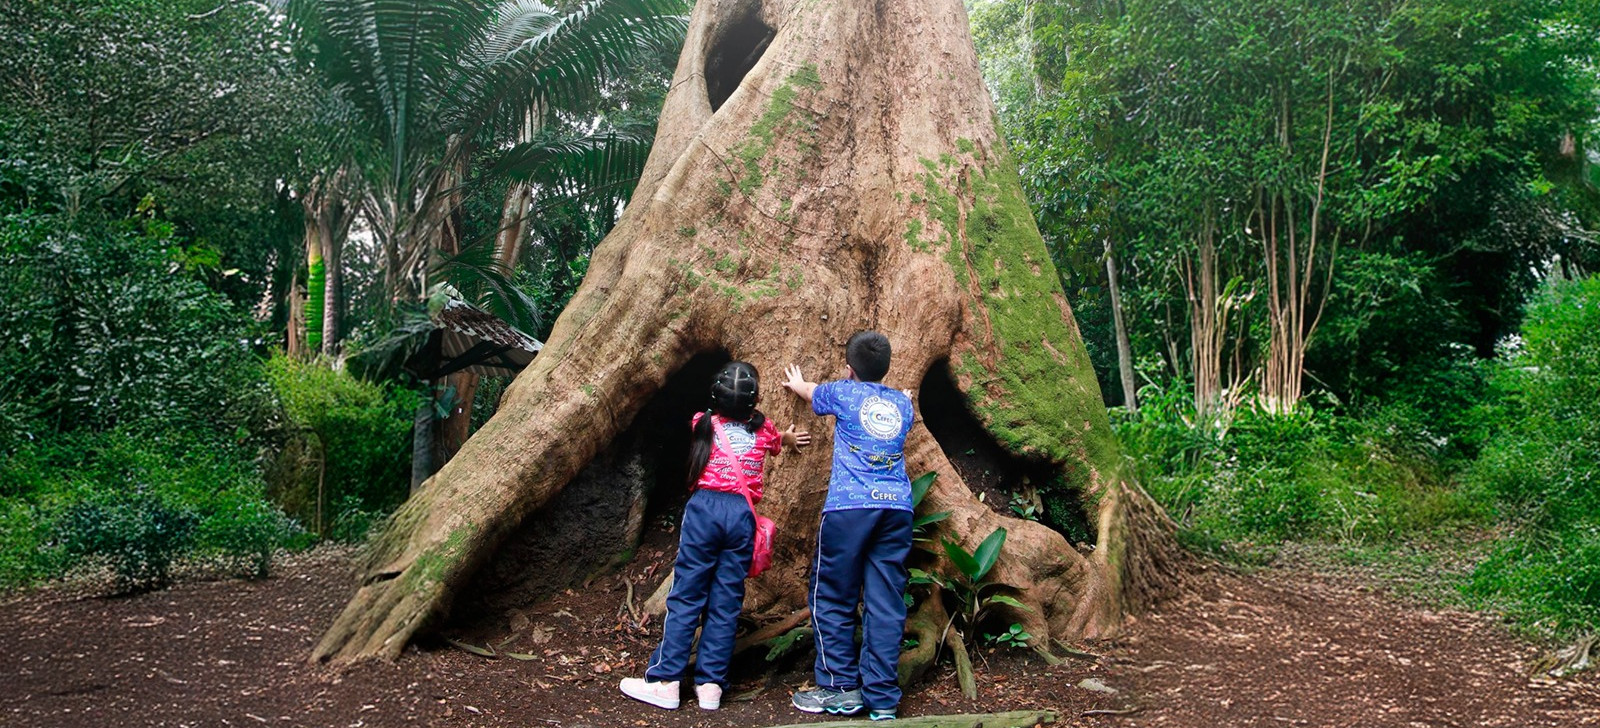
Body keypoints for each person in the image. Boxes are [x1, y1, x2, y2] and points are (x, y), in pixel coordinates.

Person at [620, 361, 808, 711]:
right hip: (741, 514)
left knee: (688, 595)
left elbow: (709, 424)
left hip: (705, 510)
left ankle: (667, 681)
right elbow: (773, 441)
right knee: (726, 601)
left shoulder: (702, 422)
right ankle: (711, 686)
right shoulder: (765, 430)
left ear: (714, 398)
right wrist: (788, 438)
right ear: (755, 401)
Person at [781, 331, 916, 722]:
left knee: (833, 594)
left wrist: (796, 382)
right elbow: (903, 406)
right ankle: (883, 697)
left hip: (849, 508)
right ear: (886, 368)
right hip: (897, 510)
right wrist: (902, 397)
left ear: (849, 368)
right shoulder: (901, 405)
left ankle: (840, 687)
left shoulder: (841, 392)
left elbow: (810, 392)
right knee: (886, 600)